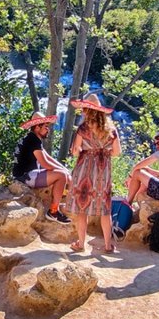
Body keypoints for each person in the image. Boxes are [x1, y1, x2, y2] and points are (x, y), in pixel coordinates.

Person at [67, 94, 121, 254]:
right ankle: (107, 245)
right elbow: (117, 152)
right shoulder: (111, 129)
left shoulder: (83, 128)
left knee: (82, 207)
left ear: (87, 110)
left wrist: (84, 150)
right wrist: (103, 152)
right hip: (103, 170)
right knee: (104, 208)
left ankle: (81, 243)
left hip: (84, 169)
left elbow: (76, 151)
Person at [12, 112, 71, 224]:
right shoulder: (33, 140)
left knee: (63, 173)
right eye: (45, 127)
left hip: (24, 175)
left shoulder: (32, 138)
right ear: (38, 127)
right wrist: (64, 173)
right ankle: (53, 212)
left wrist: (64, 169)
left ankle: (61, 201)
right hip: (25, 177)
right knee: (61, 176)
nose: (48, 129)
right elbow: (45, 164)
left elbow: (48, 158)